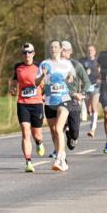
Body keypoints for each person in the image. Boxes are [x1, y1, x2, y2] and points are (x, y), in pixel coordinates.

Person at [10, 43, 48, 172]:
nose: (27, 55)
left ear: (33, 53)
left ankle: (39, 143)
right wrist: (13, 88)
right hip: (23, 103)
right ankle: (28, 161)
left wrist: (43, 82)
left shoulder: (39, 66)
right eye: (25, 52)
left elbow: (42, 84)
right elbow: (15, 81)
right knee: (25, 132)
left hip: (37, 104)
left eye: (29, 52)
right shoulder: (18, 67)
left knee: (36, 134)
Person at [39, 40, 75, 172]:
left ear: (60, 49)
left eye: (56, 47)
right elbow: (36, 82)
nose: (53, 49)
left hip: (64, 99)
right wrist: (42, 75)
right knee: (54, 131)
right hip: (49, 101)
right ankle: (63, 156)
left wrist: (70, 78)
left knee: (59, 128)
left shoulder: (67, 63)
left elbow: (72, 77)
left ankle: (59, 159)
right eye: (51, 47)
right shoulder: (44, 64)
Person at [61, 41, 90, 152]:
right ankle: (59, 151)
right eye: (61, 50)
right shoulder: (55, 66)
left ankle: (70, 134)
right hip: (60, 99)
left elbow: (87, 82)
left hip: (73, 101)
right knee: (58, 126)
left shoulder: (76, 65)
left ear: (70, 52)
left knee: (75, 133)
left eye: (65, 50)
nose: (63, 53)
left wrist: (81, 94)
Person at [81, 44, 101, 137]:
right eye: (88, 50)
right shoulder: (83, 62)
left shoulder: (98, 61)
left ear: (95, 51)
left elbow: (103, 72)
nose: (90, 52)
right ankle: (92, 121)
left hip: (96, 87)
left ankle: (92, 129)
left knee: (93, 107)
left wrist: (99, 77)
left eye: (92, 50)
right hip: (86, 87)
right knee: (88, 110)